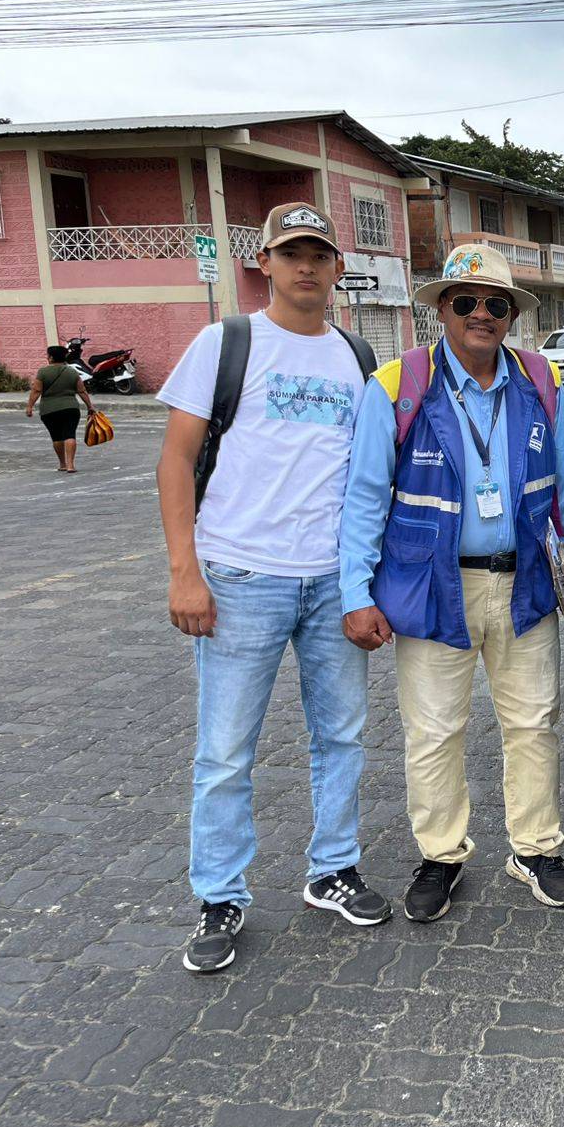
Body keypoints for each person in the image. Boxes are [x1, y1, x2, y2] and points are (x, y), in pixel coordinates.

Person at [156, 202, 392, 975]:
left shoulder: (357, 357)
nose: (306, 267)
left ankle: (334, 869)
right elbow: (175, 460)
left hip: (331, 581)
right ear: (264, 262)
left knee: (342, 736)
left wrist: (365, 581)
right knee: (226, 751)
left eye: (319, 254)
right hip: (239, 577)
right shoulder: (226, 343)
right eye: (292, 253)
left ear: (337, 268)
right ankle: (219, 895)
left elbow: (369, 476)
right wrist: (184, 570)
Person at [339, 244, 564, 925]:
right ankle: (441, 855)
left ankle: (535, 850)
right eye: (466, 302)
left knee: (533, 724)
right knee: (433, 731)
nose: (482, 314)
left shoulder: (542, 380)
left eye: (496, 304)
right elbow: (364, 499)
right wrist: (356, 594)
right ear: (442, 310)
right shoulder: (397, 385)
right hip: (431, 587)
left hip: (526, 583)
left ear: (512, 316)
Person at [26, 344, 94, 472]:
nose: (47, 357)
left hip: (49, 409)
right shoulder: (72, 371)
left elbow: (36, 390)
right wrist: (90, 406)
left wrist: (29, 406)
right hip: (71, 408)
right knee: (70, 434)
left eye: (48, 355)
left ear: (51, 358)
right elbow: (82, 391)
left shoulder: (43, 372)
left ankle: (63, 464)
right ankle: (71, 465)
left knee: (56, 436)